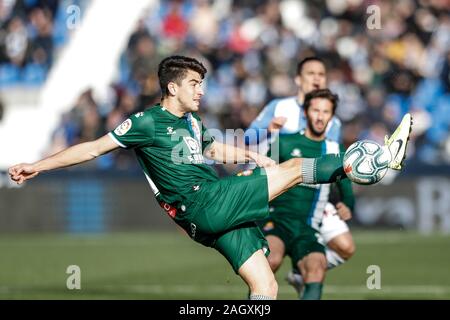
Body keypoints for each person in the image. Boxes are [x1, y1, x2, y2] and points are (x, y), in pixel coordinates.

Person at [8, 55, 412, 300]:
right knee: (293, 169)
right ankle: (365, 161)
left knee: (266, 289)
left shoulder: (193, 122)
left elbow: (215, 150)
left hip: (208, 216)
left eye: (202, 84)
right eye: (194, 84)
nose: (201, 91)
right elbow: (93, 148)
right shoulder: (147, 121)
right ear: (172, 87)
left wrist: (251, 154)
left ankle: (358, 162)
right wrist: (38, 165)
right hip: (203, 200)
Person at [245, 57, 355, 290]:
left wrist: (346, 199)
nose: (316, 78)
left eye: (321, 74)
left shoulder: (332, 120)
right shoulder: (279, 107)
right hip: (282, 193)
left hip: (314, 194)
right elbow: (247, 139)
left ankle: (299, 273)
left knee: (345, 247)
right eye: (310, 73)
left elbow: (333, 159)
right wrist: (268, 130)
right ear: (298, 79)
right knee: (271, 258)